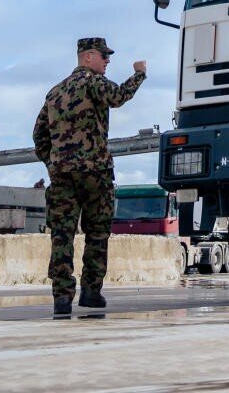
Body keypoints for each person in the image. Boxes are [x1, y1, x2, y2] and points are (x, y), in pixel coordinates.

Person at [32, 36, 147, 316]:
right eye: (104, 56)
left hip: (62, 176)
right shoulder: (92, 82)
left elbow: (39, 136)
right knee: (97, 233)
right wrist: (139, 74)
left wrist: (55, 163)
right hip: (95, 173)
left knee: (62, 235)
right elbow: (118, 97)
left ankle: (62, 297)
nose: (108, 61)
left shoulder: (54, 92)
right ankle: (91, 292)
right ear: (87, 57)